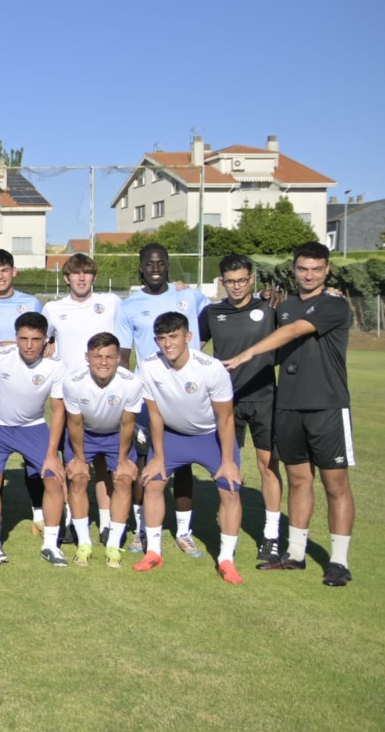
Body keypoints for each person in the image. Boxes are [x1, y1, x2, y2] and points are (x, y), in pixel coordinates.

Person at [223, 242, 355, 586]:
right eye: (302, 269)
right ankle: (295, 554)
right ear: (293, 270)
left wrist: (247, 354)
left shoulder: (333, 304)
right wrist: (268, 295)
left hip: (327, 405)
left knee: (335, 483)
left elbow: (294, 330)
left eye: (316, 269)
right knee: (298, 480)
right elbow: (273, 324)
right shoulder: (284, 304)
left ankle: (339, 561)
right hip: (287, 405)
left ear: (327, 271)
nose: (309, 275)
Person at [116, 243, 209, 557]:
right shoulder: (128, 306)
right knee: (144, 463)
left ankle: (184, 532)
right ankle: (142, 531)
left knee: (182, 466)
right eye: (149, 263)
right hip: (147, 397)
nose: (155, 268)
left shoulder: (190, 296)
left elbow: (218, 317)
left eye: (161, 262)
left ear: (168, 265)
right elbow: (124, 356)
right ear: (141, 267)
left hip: (185, 397)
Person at [137, 312, 243, 584]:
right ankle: (153, 552)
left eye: (173, 337)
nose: (168, 344)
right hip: (172, 436)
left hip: (211, 437)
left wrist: (228, 460)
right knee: (153, 482)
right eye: (162, 338)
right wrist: (158, 457)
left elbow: (226, 418)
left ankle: (226, 559)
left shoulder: (211, 368)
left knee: (230, 488)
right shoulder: (148, 366)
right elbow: (155, 416)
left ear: (188, 337)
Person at [199, 255, 282, 563]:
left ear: (252, 279)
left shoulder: (269, 308)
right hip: (226, 402)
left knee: (267, 466)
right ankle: (227, 534)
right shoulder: (212, 312)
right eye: (230, 281)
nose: (236, 286)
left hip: (264, 399)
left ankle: (271, 536)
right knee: (228, 465)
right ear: (223, 282)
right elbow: (195, 349)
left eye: (242, 280)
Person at [41, 252, 128, 541]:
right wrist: (49, 346)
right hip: (70, 397)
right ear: (66, 278)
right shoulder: (53, 309)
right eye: (75, 273)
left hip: (107, 394)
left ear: (94, 276)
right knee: (73, 464)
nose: (81, 278)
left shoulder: (111, 303)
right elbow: (41, 340)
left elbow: (140, 313)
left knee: (104, 464)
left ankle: (105, 524)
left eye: (87, 273)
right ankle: (70, 520)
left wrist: (177, 286)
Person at [0, 312, 66, 565]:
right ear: (15, 337)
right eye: (23, 338)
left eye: (35, 339)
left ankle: (50, 545)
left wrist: (51, 454)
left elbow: (58, 410)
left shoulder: (55, 365)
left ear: (45, 340)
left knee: (54, 479)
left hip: (33, 428)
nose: (28, 345)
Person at [0, 249, 46, 539]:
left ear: (13, 271)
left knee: (33, 456)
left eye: (4, 270)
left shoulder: (31, 302)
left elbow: (42, 341)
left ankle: (39, 512)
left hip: (28, 389)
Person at [53, 333, 142, 569]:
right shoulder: (73, 381)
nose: (104, 362)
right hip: (85, 434)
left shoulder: (131, 382)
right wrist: (79, 459)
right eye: (97, 356)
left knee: (123, 479)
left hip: (116, 434)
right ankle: (84, 544)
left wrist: (123, 459)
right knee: (79, 477)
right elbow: (74, 423)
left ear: (118, 358)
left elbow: (128, 423)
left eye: (110, 357)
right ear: (87, 357)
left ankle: (113, 546)